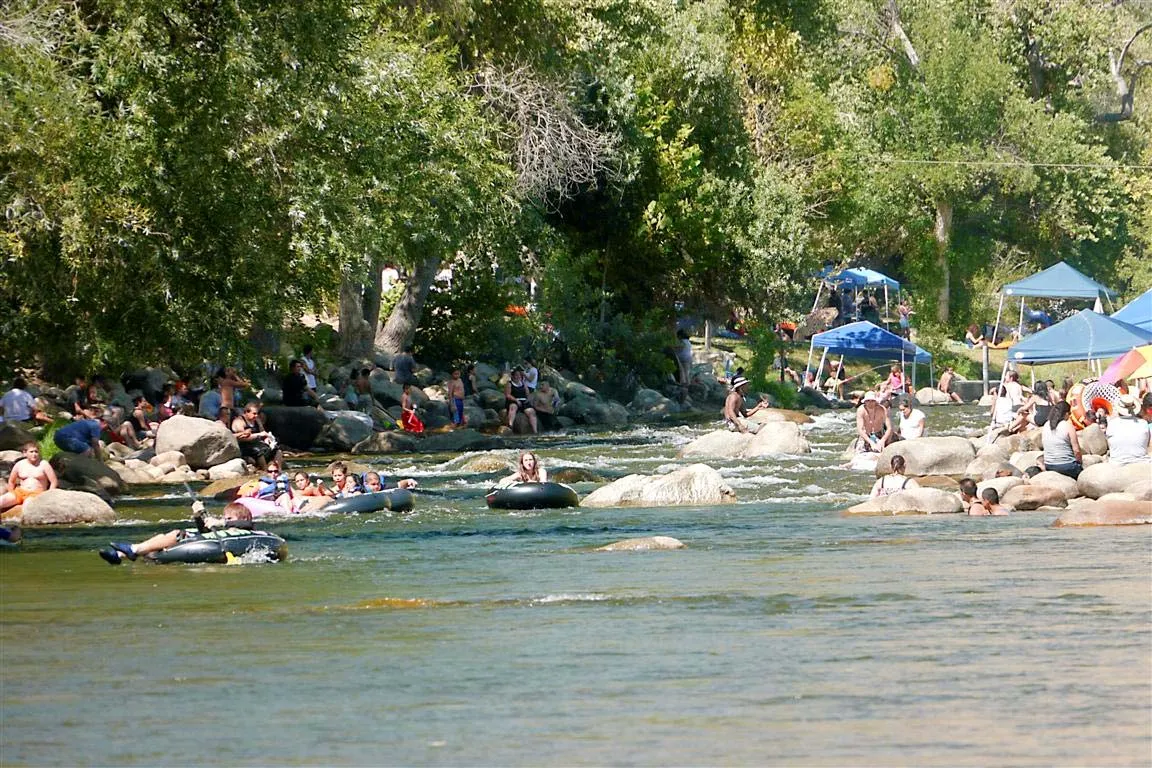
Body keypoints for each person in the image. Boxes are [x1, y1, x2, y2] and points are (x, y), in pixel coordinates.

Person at [97, 501, 255, 565]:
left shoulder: (247, 527)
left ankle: (132, 551)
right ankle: (121, 555)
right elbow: (204, 533)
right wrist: (198, 516)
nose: (225, 519)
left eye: (229, 518)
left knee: (177, 533)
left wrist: (221, 522)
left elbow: (247, 524)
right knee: (162, 537)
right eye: (224, 517)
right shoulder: (223, 531)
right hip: (211, 545)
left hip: (227, 547)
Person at [0, 442, 58, 513]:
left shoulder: (44, 464)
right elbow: (11, 481)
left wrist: (48, 495)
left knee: (27, 507)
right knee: (1, 501)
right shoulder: (19, 464)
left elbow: (54, 481)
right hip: (20, 492)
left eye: (36, 452)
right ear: (25, 453)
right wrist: (11, 492)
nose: (34, 454)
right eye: (31, 452)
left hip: (36, 494)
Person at [1105, 394, 1150, 465]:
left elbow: (1109, 444)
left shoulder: (1112, 424)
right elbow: (1146, 445)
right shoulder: (1143, 423)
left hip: (1117, 463)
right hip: (1142, 462)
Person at [1042, 401, 1083, 478]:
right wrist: (1080, 462)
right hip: (1067, 466)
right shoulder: (1068, 426)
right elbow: (1076, 450)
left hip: (1049, 465)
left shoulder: (1046, 425)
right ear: (1066, 414)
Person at [232, 403, 277, 470]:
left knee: (277, 450)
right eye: (254, 413)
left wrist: (268, 439)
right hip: (245, 446)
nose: (256, 416)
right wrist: (258, 435)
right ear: (247, 412)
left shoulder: (257, 420)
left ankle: (278, 469)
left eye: (257, 413)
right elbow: (242, 438)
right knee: (259, 451)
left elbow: (263, 433)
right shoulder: (239, 422)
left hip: (258, 444)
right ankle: (265, 470)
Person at [504, 367, 537, 433]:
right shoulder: (509, 383)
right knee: (513, 407)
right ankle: (510, 425)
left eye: (519, 375)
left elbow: (528, 394)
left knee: (531, 412)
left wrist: (529, 400)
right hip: (514, 400)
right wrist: (516, 400)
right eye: (516, 375)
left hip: (524, 401)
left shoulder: (523, 383)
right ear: (513, 376)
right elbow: (507, 395)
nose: (518, 377)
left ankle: (535, 431)